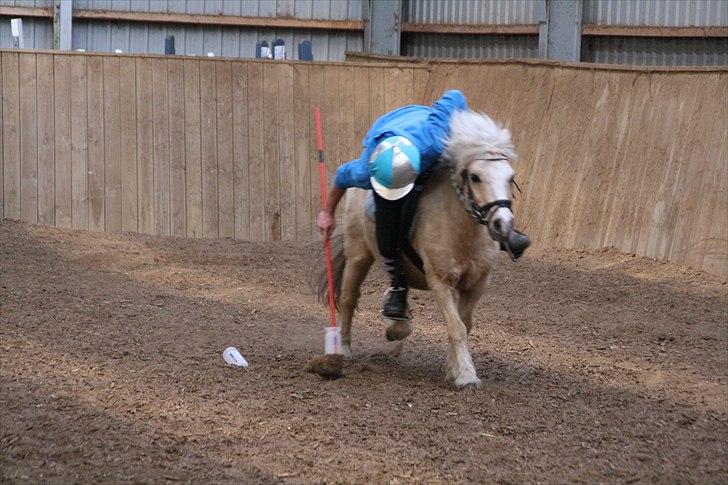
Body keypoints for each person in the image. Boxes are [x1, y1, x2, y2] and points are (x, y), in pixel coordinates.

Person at [317, 90, 530, 321]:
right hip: (387, 135)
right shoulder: (365, 171)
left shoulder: (432, 143)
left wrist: (473, 136)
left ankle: (503, 226)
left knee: (485, 174)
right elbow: (340, 177)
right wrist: (327, 213)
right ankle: (398, 284)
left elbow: (456, 95)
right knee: (382, 217)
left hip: (424, 135)